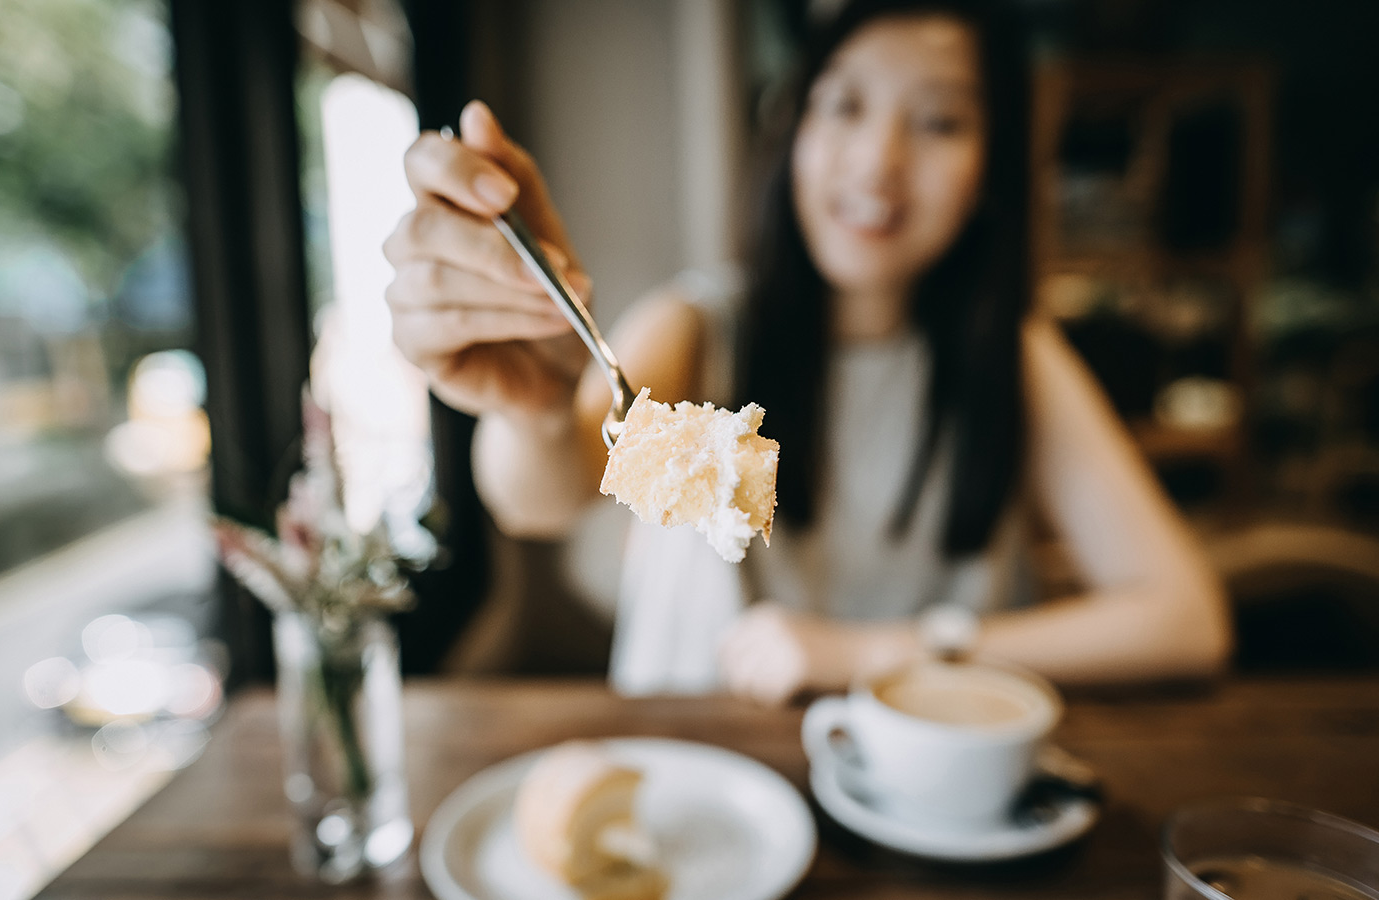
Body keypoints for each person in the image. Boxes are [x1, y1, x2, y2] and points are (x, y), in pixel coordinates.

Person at [382, 0, 1232, 705]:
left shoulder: (1017, 354)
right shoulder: (700, 330)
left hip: (944, 770)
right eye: (845, 104)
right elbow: (543, 496)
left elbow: (1186, 621)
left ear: (990, 170)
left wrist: (872, 653)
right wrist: (529, 411)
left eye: (939, 120)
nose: (878, 159)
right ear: (792, 128)